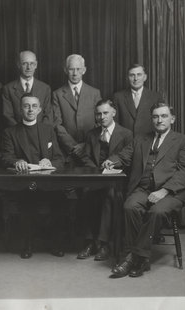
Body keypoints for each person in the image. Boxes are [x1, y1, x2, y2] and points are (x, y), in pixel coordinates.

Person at [103, 103, 185, 278]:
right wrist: (112, 161)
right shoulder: (141, 139)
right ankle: (141, 260)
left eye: (164, 116)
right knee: (130, 207)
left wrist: (164, 191)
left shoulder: (183, 141)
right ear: (151, 119)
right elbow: (124, 156)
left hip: (171, 192)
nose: (159, 120)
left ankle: (133, 257)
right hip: (144, 188)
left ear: (172, 119)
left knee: (156, 212)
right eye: (155, 116)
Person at [0, 94, 67, 259]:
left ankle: (55, 243)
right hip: (23, 183)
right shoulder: (10, 132)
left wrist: (49, 161)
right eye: (26, 106)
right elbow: (4, 157)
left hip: (48, 182)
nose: (30, 109)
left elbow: (60, 158)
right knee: (27, 201)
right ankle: (27, 244)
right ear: (20, 108)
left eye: (34, 106)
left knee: (61, 198)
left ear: (39, 109)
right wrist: (17, 162)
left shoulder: (48, 130)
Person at [77, 100, 132, 261]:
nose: (102, 117)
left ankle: (104, 244)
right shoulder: (91, 134)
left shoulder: (126, 134)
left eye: (105, 113)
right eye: (98, 114)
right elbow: (86, 157)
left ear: (113, 113)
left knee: (109, 196)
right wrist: (96, 173)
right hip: (95, 178)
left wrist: (111, 166)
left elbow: (128, 158)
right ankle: (90, 242)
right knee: (86, 194)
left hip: (116, 181)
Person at [53, 54, 101, 164]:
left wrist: (86, 144)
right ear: (65, 70)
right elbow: (57, 124)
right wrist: (73, 147)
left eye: (78, 69)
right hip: (67, 152)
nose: (75, 73)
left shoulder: (94, 93)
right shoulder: (57, 94)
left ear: (84, 70)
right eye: (71, 69)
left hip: (90, 150)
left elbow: (99, 122)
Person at [2, 50, 52, 127]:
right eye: (25, 63)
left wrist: (40, 133)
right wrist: (21, 133)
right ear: (18, 65)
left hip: (40, 135)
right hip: (17, 135)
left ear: (36, 65)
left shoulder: (45, 88)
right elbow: (8, 116)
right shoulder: (8, 89)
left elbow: (48, 115)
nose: (29, 67)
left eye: (32, 64)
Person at [113, 64, 164, 136]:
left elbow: (161, 122)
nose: (136, 78)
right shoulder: (118, 97)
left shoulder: (156, 97)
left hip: (148, 142)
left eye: (139, 74)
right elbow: (115, 123)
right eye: (132, 75)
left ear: (145, 77)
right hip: (125, 142)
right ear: (127, 78)